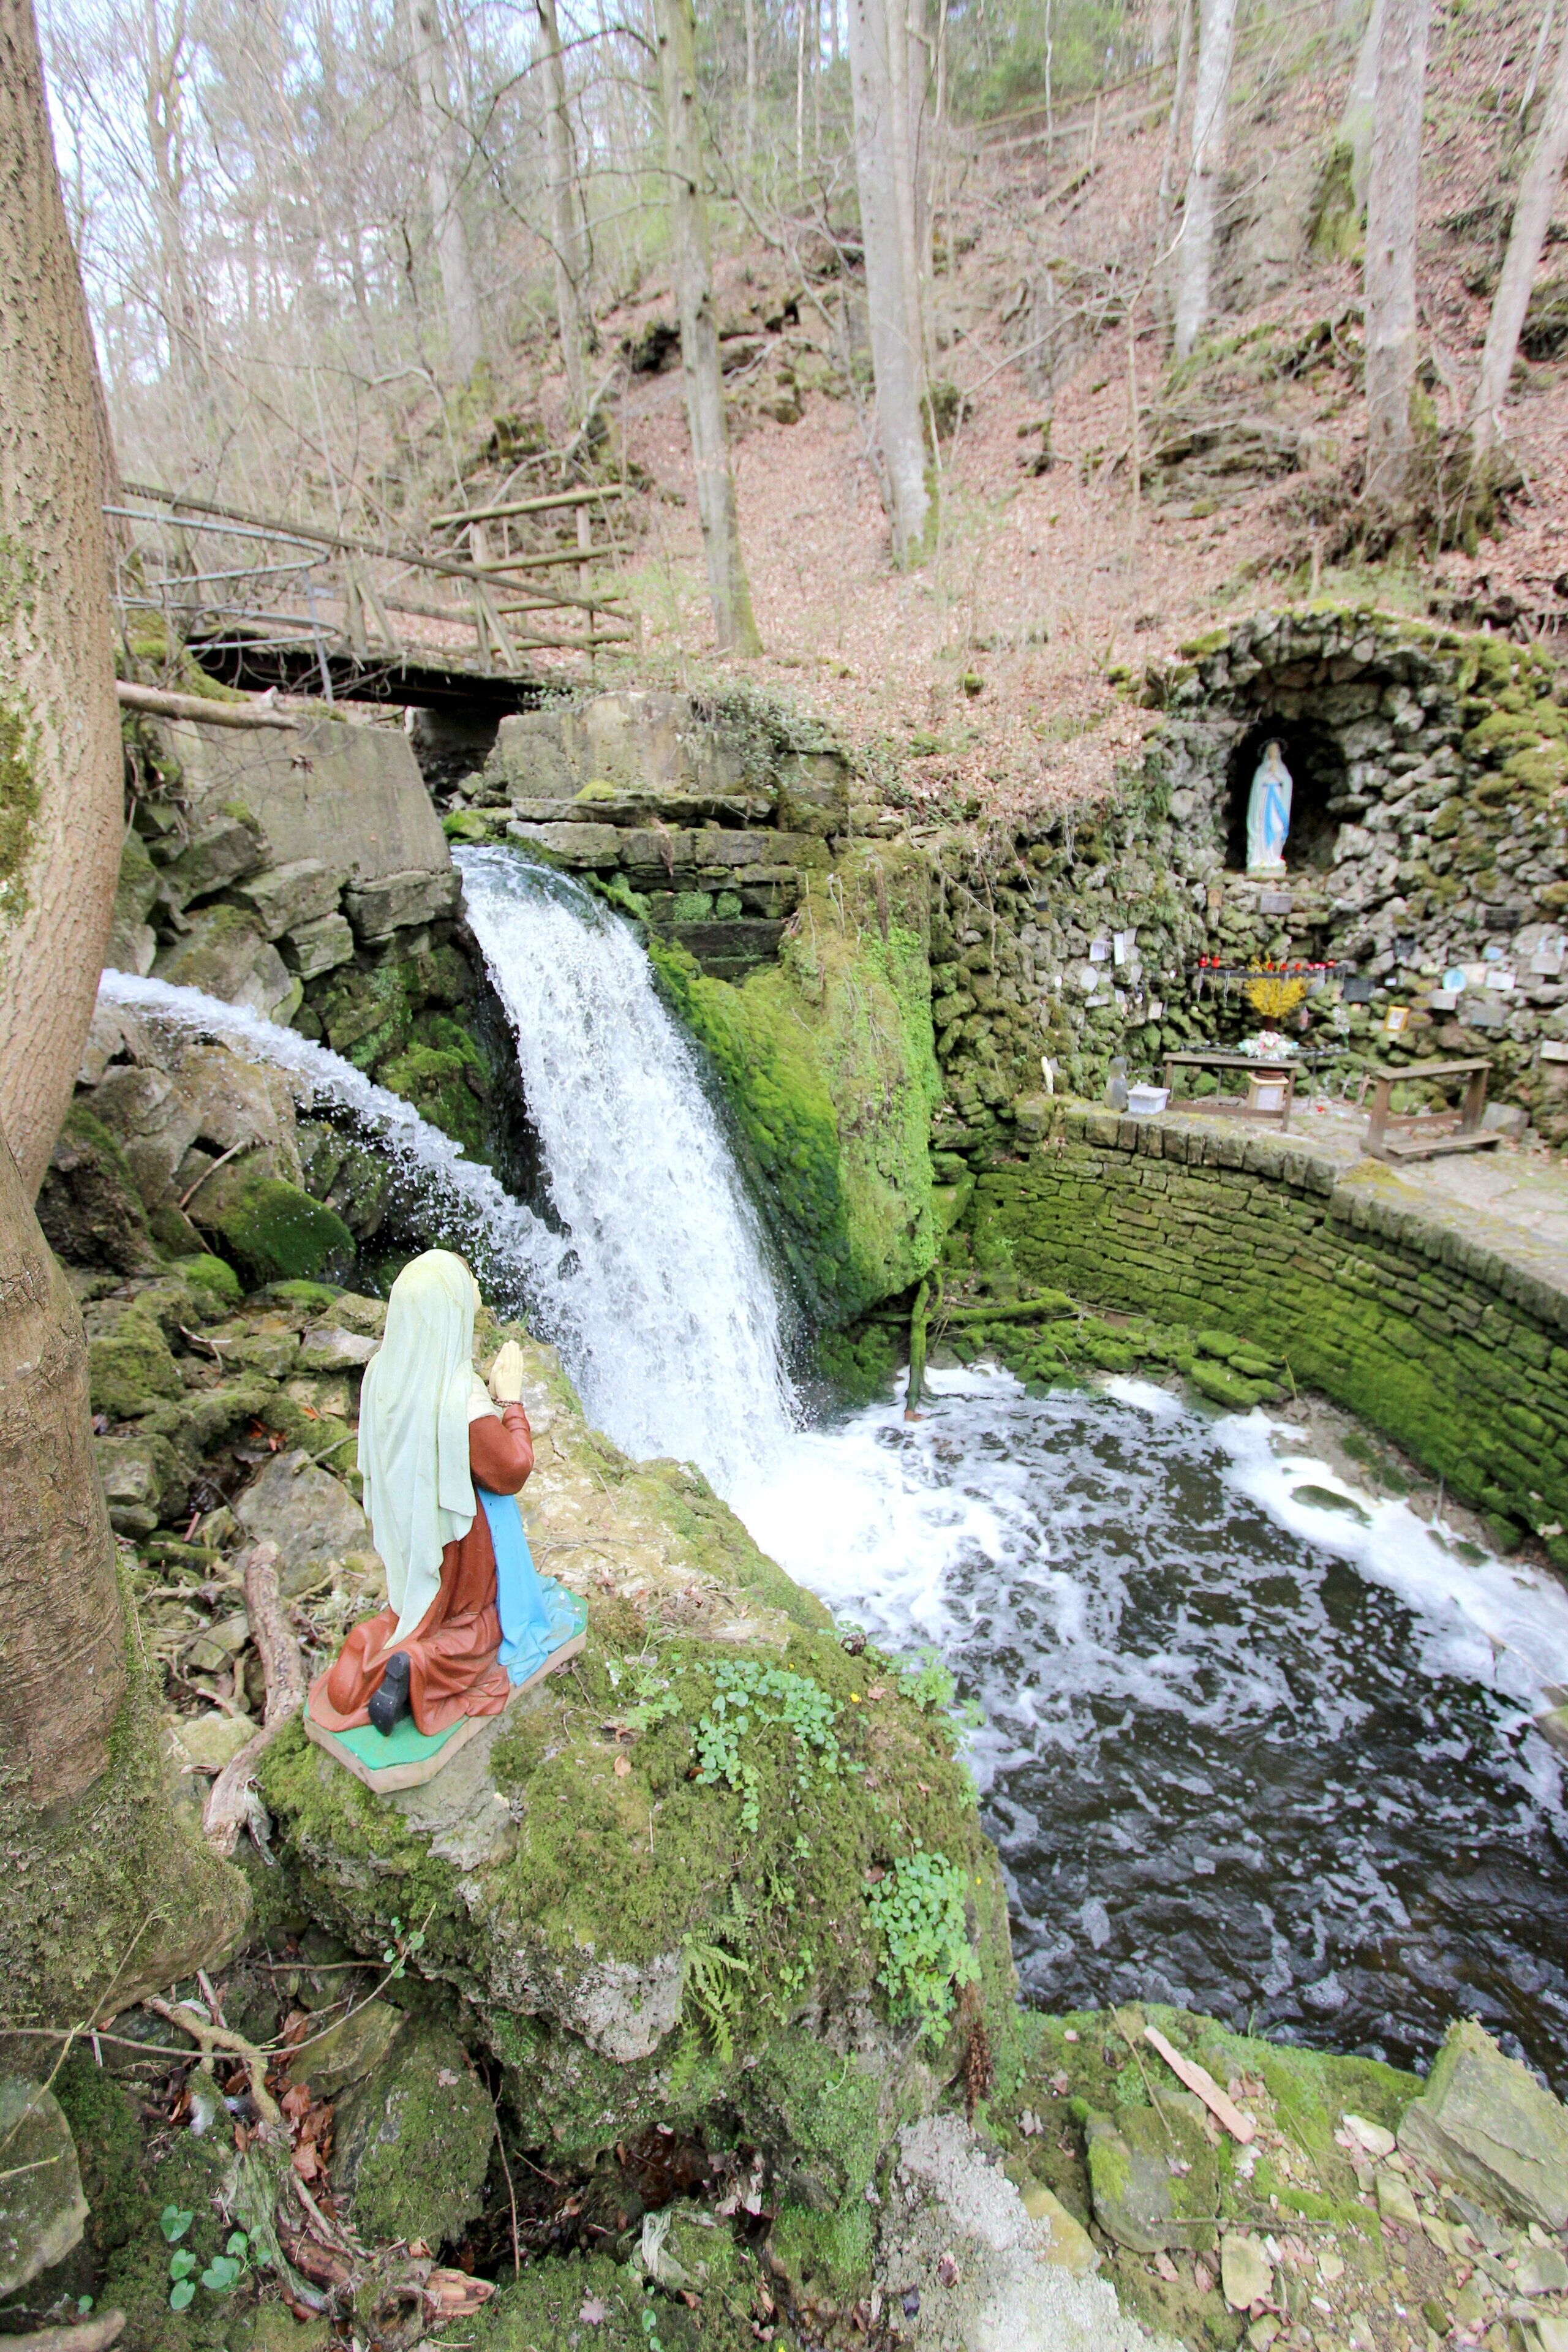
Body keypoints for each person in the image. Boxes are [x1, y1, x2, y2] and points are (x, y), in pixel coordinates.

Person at [307, 1248, 580, 1743]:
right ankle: (417, 1667)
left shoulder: (379, 1375)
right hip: (460, 1546)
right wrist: (511, 1402)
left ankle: (375, 1643)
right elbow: (511, 1470)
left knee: (413, 1612)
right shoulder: (460, 1397)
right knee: (483, 1626)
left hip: (411, 1535)